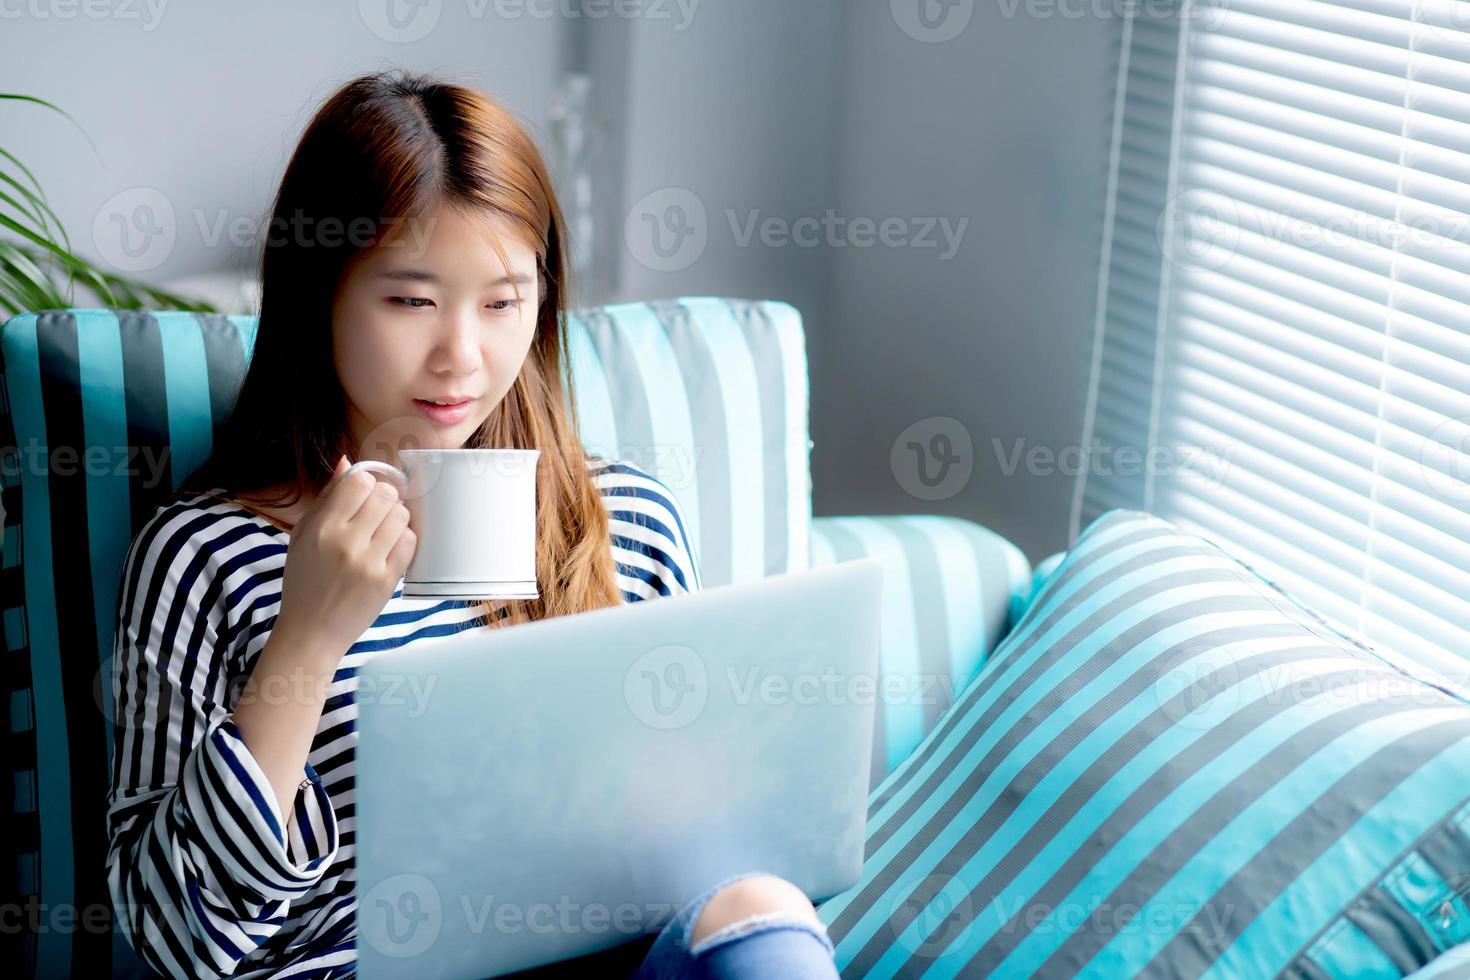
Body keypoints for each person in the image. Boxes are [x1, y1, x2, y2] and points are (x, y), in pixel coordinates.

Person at [104, 69, 840, 980]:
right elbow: (177, 940)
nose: (462, 355)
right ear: (318, 296)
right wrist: (306, 640)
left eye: (502, 302)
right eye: (410, 301)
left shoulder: (628, 523)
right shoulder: (203, 558)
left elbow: (687, 851)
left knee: (758, 911)